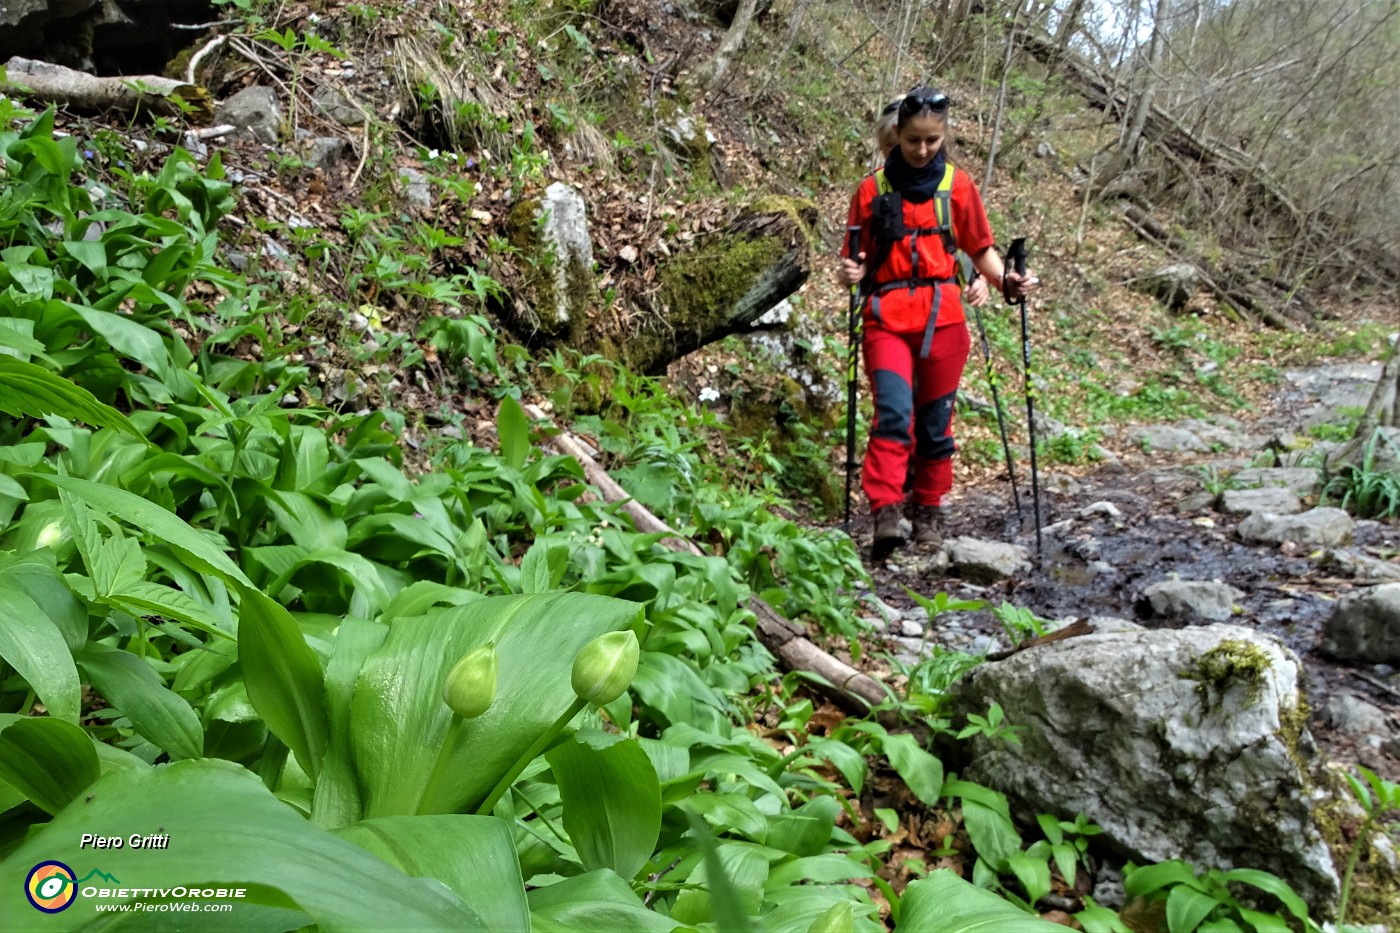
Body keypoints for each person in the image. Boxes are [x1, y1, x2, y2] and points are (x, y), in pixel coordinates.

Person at [838, 86, 1038, 559]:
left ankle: (927, 511)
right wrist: (852, 271)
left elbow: (979, 248)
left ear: (943, 135)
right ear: (898, 137)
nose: (923, 149)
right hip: (886, 317)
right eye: (913, 140)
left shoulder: (959, 186)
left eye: (932, 139)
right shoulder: (871, 190)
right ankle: (886, 510)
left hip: (943, 320)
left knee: (934, 425)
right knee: (892, 414)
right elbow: (856, 256)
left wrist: (1007, 281)